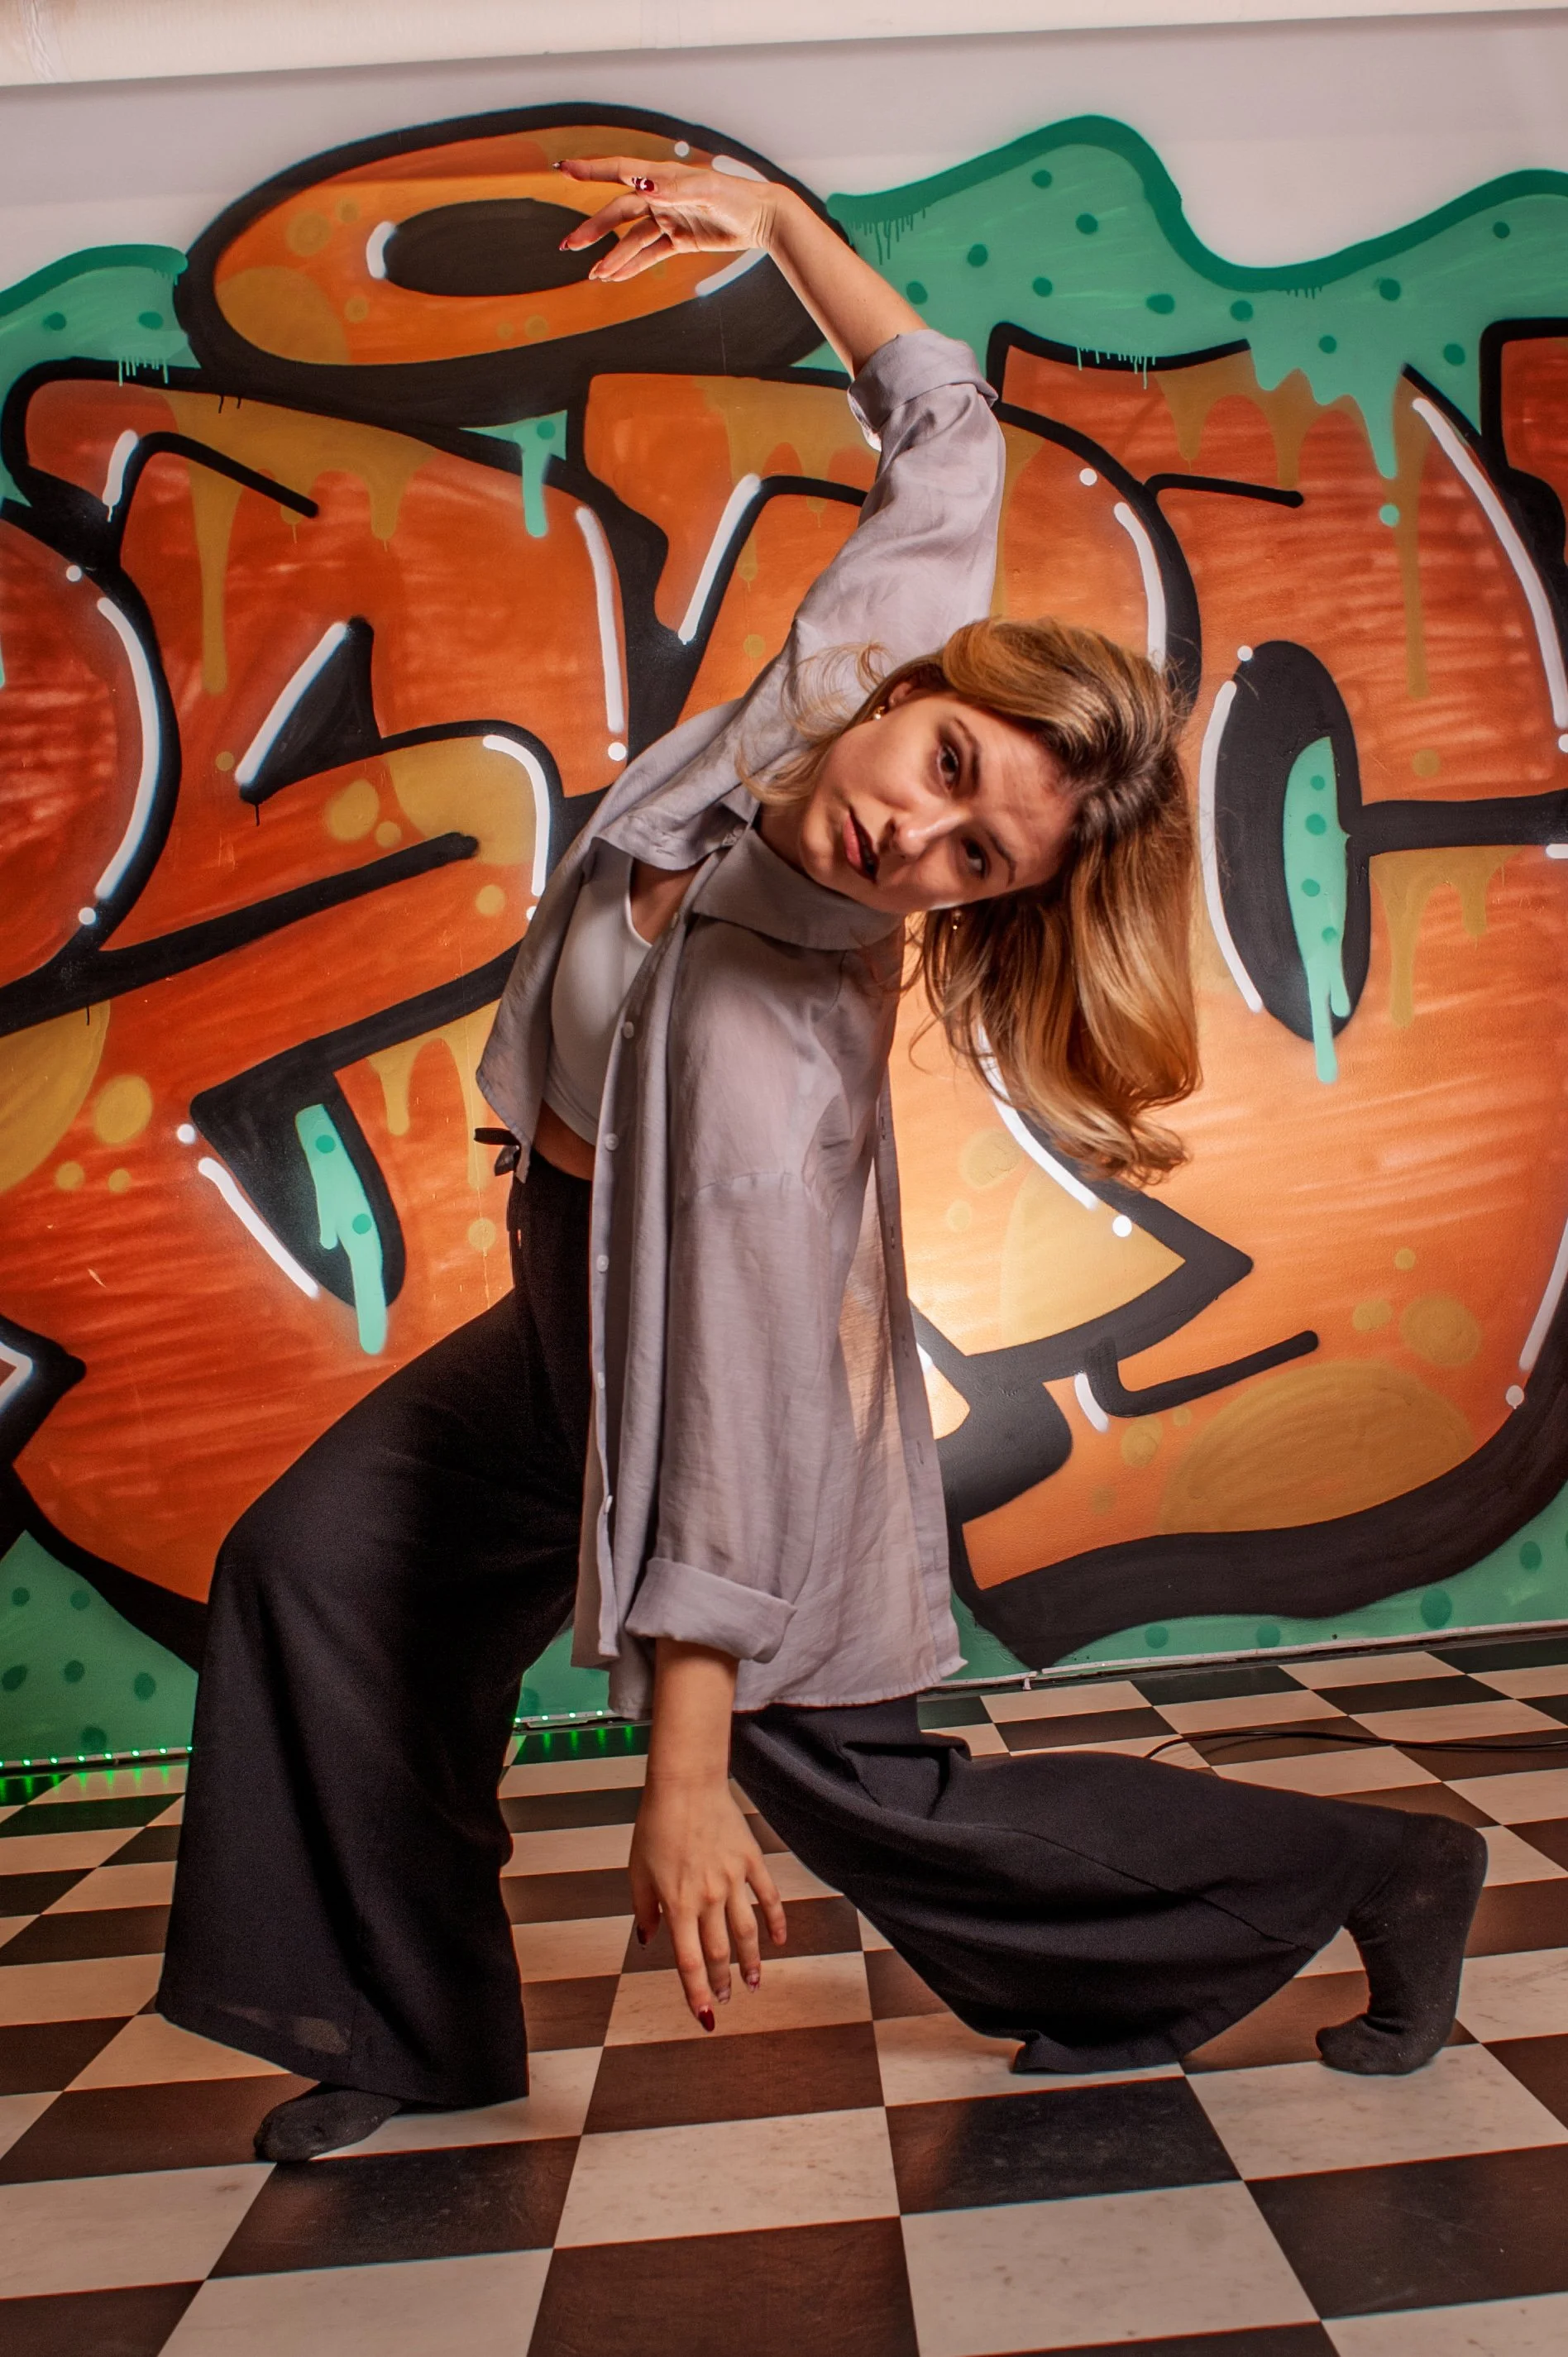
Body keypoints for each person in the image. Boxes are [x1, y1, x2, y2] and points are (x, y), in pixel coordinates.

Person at [159, 156, 1485, 2162]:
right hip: (566, 1293)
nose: (913, 837)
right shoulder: (859, 660)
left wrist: (680, 1772)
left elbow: (722, 1429)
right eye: (946, 772)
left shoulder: (777, 1067)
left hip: (701, 1360)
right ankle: (409, 2029)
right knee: (322, 1570)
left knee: (842, 1782)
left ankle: (1368, 1873)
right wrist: (768, 219)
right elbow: (943, 421)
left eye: (976, 865)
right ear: (926, 688)